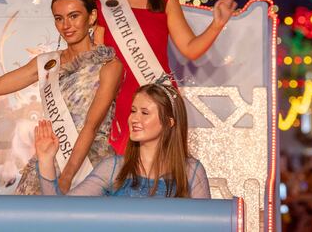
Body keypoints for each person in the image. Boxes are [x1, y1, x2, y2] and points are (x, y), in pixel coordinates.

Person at [0, 0, 123, 194]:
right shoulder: (47, 63)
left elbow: (91, 126)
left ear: (92, 16)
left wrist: (66, 178)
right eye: (59, 18)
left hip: (90, 166)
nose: (66, 25)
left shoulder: (109, 65)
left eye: (74, 16)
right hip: (49, 160)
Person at [95, 0, 237, 153]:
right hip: (117, 101)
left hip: (158, 99)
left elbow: (191, 49)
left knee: (161, 176)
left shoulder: (165, 0)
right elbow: (94, 62)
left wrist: (217, 24)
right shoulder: (101, 5)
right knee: (118, 176)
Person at [35, 77, 210, 197]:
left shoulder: (191, 171)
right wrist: (45, 160)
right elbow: (61, 213)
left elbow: (207, 225)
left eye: (145, 112)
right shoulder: (113, 168)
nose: (134, 118)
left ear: (169, 122)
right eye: (133, 111)